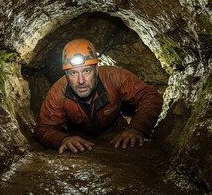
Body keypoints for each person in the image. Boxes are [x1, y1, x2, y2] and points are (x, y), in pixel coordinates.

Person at [33, 38, 163, 154]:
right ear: (66, 75)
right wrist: (63, 139)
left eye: (86, 71)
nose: (81, 80)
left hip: (116, 134)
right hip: (80, 140)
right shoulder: (57, 92)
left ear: (96, 69)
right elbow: (43, 129)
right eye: (73, 73)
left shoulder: (115, 76)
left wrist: (136, 128)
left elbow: (150, 96)